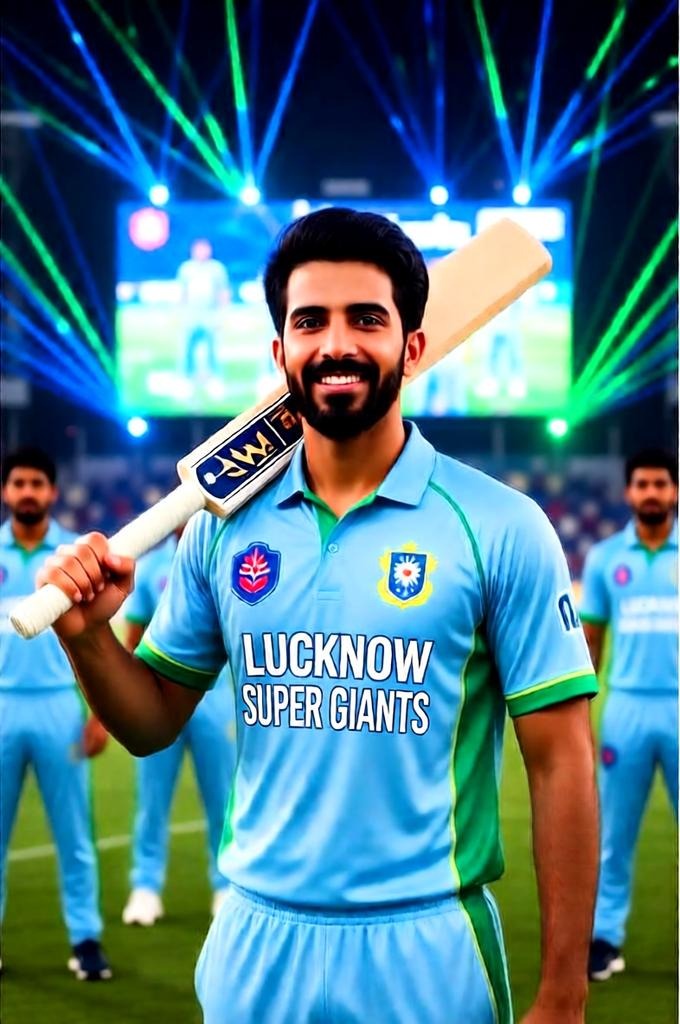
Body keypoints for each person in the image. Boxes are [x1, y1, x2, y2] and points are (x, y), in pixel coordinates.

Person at [38, 209, 599, 1024]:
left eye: (366, 319)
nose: (336, 344)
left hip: (428, 945)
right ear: (281, 353)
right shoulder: (221, 526)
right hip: (256, 938)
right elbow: (151, 721)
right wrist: (89, 637)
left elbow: (561, 765)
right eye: (311, 322)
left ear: (413, 347)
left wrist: (564, 993)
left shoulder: (502, 526)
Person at [0, 447, 111, 981]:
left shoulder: (69, 557)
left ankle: (86, 940)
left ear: (51, 492)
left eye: (36, 484)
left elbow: (94, 637)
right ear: (6, 491)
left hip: (57, 706)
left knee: (74, 832)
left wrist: (97, 715)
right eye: (18, 482)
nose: (27, 492)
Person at [580, 449, 678, 982]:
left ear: (675, 491)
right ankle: (605, 938)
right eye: (642, 484)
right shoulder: (603, 559)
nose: (651, 494)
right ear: (628, 493)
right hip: (627, 710)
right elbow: (590, 641)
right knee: (615, 834)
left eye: (660, 484)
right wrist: (580, 720)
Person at [121, 531, 235, 926]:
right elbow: (133, 639)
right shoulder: (151, 567)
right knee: (152, 799)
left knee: (222, 797)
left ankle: (224, 886)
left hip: (216, 700)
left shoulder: (226, 551)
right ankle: (146, 887)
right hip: (158, 695)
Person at [177, 238, 231, 394]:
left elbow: (223, 292)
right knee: (187, 348)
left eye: (204, 249)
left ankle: (214, 380)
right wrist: (181, 313)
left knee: (213, 348)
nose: (201, 252)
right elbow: (183, 292)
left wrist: (222, 314)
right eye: (198, 249)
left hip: (210, 315)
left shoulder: (216, 268)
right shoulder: (186, 268)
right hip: (191, 315)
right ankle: (186, 379)